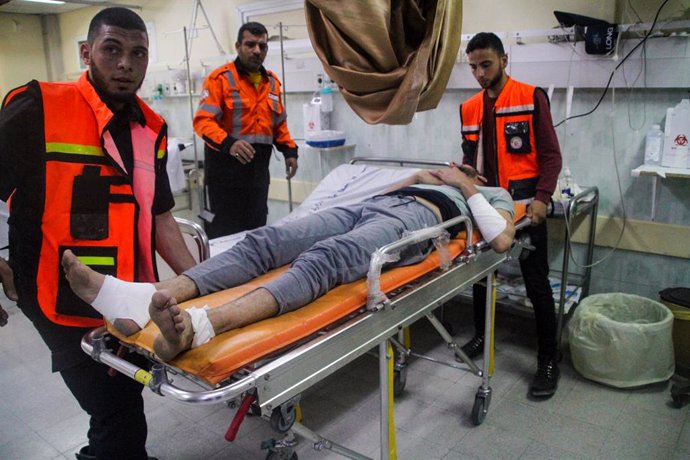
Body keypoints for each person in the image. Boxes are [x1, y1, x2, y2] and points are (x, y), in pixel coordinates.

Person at [0, 7, 197, 460]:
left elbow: (160, 216)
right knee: (116, 411)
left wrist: (204, 282)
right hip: (55, 291)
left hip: (122, 294)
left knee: (124, 401)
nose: (125, 63)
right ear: (87, 53)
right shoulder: (39, 106)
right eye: (112, 49)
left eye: (137, 53)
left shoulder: (150, 128)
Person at [62, 166, 515, 361]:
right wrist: (417, 177)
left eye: (467, 167)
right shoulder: (428, 176)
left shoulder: (490, 195)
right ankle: (146, 300)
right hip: (375, 206)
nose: (457, 167)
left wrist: (464, 185)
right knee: (270, 240)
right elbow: (381, 192)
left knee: (327, 259)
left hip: (415, 222)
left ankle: (200, 327)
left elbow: (500, 240)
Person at [458, 32, 563, 399]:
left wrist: (543, 198)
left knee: (537, 285)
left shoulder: (530, 97)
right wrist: (466, 174)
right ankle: (480, 337)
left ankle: (549, 359)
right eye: (473, 66)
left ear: (504, 60)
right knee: (481, 279)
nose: (480, 73)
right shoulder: (469, 107)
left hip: (523, 209)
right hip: (488, 208)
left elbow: (551, 155)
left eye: (486, 64)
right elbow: (470, 158)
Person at [193, 21, 299, 239]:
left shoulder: (272, 83)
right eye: (250, 44)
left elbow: (278, 123)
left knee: (256, 229)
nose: (257, 51)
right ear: (238, 46)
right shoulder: (219, 79)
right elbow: (203, 122)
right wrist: (229, 143)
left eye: (262, 46)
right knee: (223, 231)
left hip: (258, 174)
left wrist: (290, 151)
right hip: (224, 174)